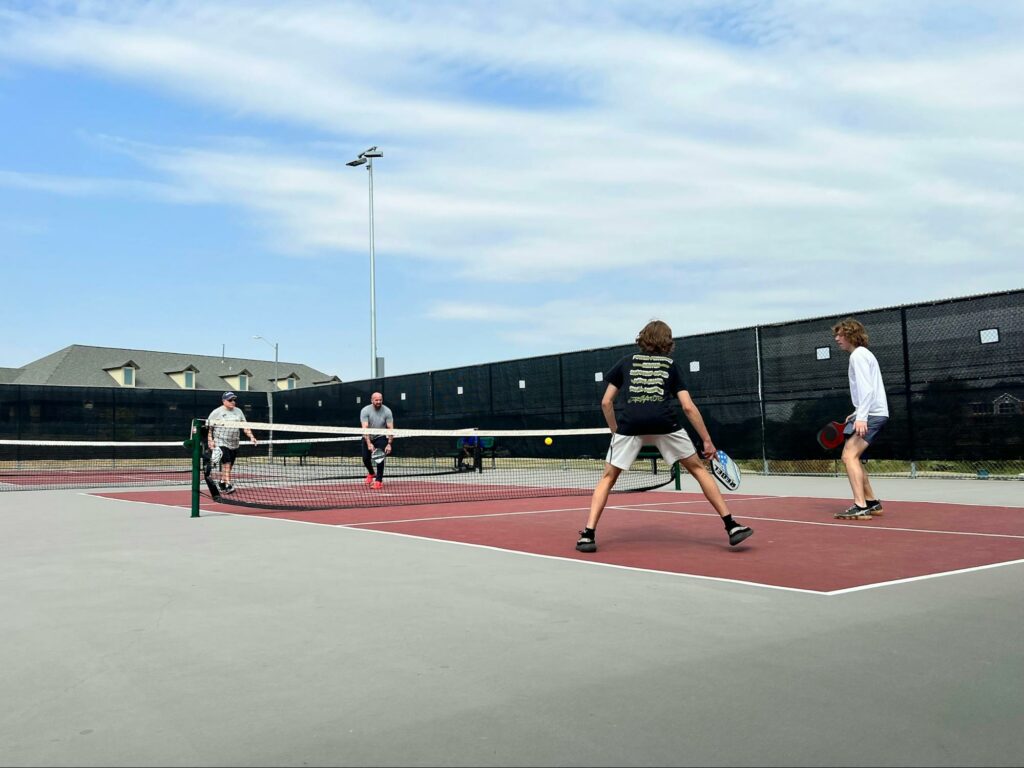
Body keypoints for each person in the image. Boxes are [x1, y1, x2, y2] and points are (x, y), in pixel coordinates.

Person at [576, 320, 753, 553]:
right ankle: (731, 526)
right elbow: (688, 407)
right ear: (668, 342)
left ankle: (588, 535)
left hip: (630, 425)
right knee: (699, 470)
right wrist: (707, 440)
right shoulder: (671, 365)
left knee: (608, 478)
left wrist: (615, 431)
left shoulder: (625, 362)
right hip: (665, 422)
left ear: (643, 339)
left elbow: (606, 402)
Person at [832, 318, 889, 520]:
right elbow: (868, 390)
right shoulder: (863, 355)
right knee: (852, 456)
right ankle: (871, 502)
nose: (837, 339)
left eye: (840, 335)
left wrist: (862, 417)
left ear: (850, 335)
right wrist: (857, 412)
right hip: (872, 412)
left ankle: (860, 505)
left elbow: (867, 390)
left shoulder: (858, 356)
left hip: (872, 415)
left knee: (849, 456)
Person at [207, 391, 257, 495]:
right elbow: (209, 428)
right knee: (227, 463)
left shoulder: (238, 411)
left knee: (230, 465)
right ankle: (228, 484)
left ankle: (222, 482)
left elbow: (245, 426)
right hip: (221, 441)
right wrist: (210, 440)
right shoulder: (216, 412)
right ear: (224, 401)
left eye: (234, 400)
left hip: (234, 443)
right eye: (230, 400)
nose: (233, 402)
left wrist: (251, 436)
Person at [360, 392, 394, 489]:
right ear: (372, 400)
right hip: (367, 436)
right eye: (376, 400)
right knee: (365, 459)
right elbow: (365, 428)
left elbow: (390, 428)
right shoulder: (365, 410)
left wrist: (389, 443)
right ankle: (371, 473)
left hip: (380, 436)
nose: (379, 402)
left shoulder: (387, 411)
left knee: (379, 458)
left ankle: (378, 481)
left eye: (380, 400)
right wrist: (369, 443)